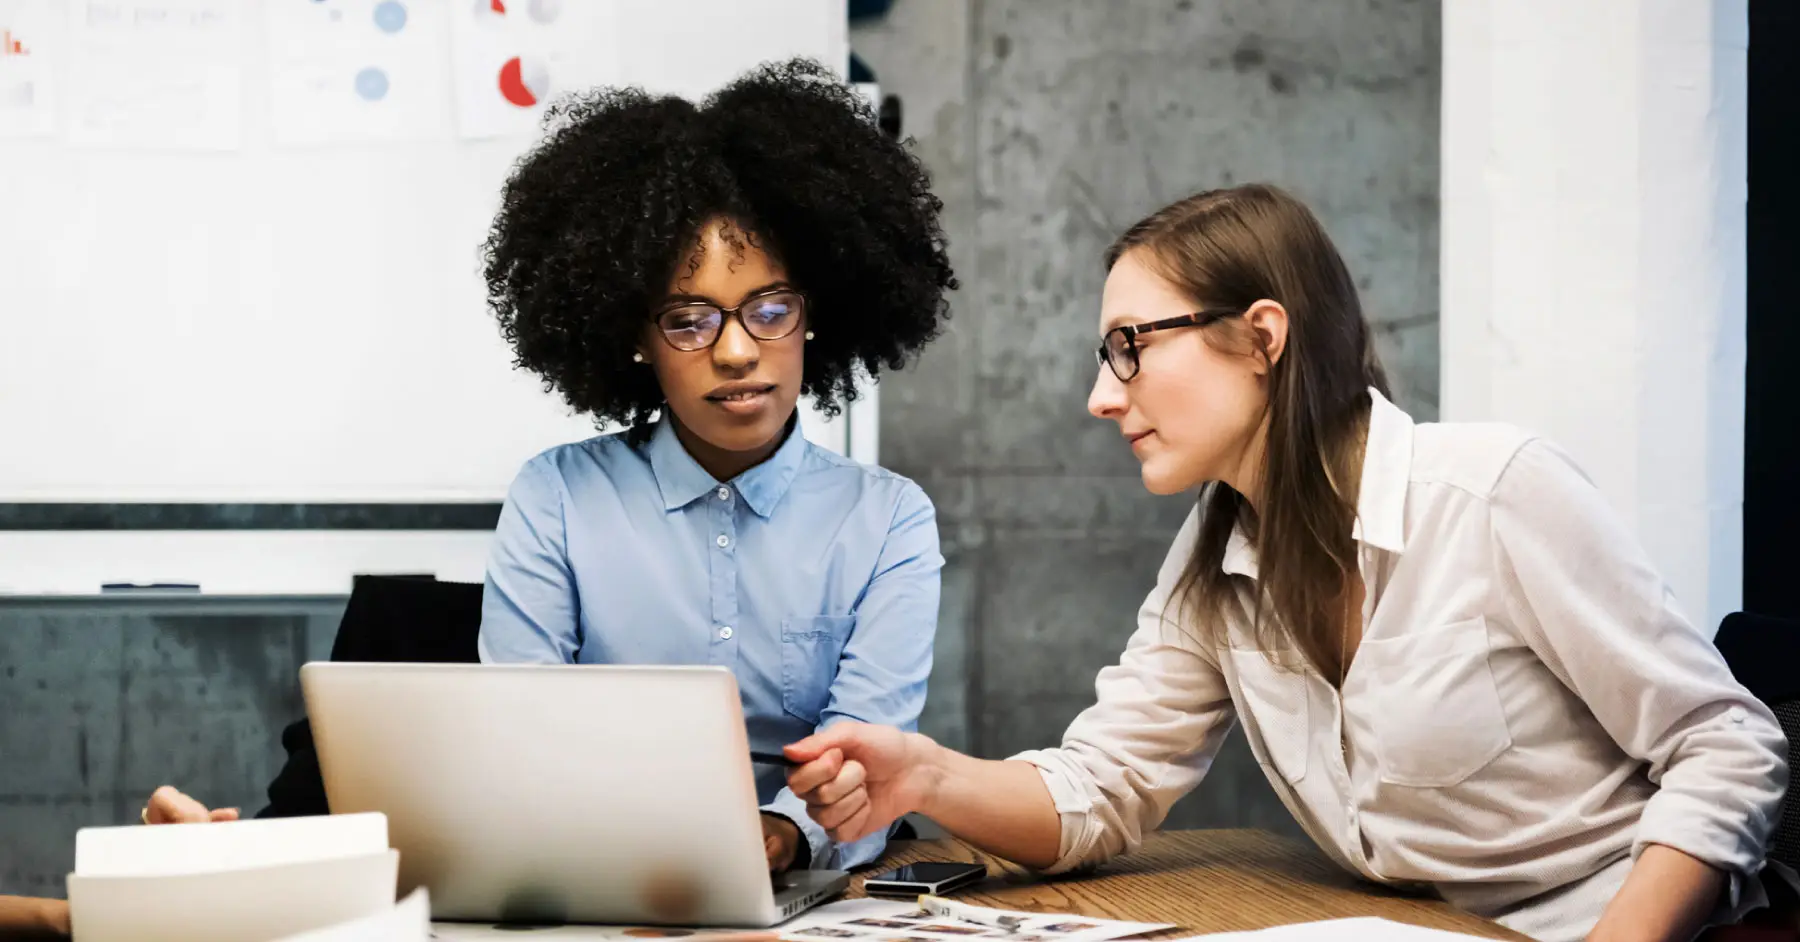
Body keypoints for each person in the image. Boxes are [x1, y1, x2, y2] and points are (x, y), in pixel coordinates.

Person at [782, 183, 1789, 941]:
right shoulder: (1216, 554)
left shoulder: (1491, 492)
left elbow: (1729, 747)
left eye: (1130, 345)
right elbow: (1104, 786)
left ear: (1262, 336)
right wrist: (923, 775)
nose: (1102, 394)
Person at [147, 58, 956, 875]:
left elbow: (871, 764)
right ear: (633, 337)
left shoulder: (887, 520)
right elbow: (521, 747)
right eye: (688, 320)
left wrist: (779, 836)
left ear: (818, 314)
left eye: (771, 310)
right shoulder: (558, 498)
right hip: (596, 875)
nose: (739, 351)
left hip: (815, 883)